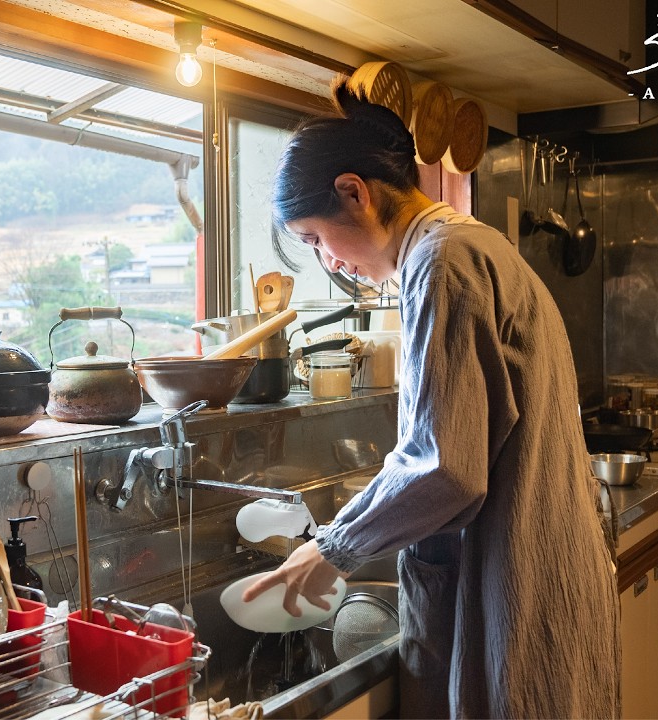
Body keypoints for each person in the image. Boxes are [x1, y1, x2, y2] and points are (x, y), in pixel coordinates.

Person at [242, 79, 620, 719]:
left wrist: (333, 548)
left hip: (513, 579)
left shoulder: (441, 263)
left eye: (315, 239)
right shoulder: (474, 244)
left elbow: (444, 467)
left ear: (354, 192)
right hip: (546, 567)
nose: (329, 262)